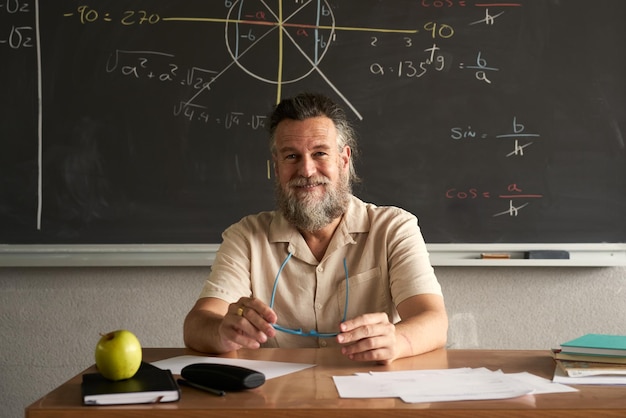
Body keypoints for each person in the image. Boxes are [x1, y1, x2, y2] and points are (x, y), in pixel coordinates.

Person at [184, 92, 447, 364]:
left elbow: (433, 320)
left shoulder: (394, 228)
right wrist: (221, 332)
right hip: (274, 400)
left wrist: (398, 341)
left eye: (319, 153)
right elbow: (197, 324)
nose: (307, 170)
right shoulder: (246, 237)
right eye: (291, 157)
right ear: (277, 167)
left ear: (343, 160)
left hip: (368, 395)